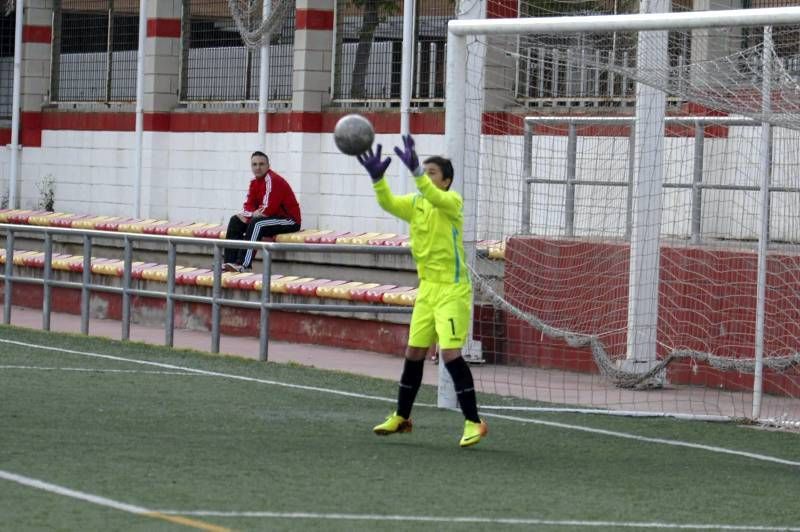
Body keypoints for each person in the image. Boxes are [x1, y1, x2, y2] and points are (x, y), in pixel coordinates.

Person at [356, 135, 488, 448]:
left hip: (453, 290)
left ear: (447, 181)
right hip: (427, 290)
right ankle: (402, 417)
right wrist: (377, 178)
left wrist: (416, 172)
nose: (425, 176)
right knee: (414, 351)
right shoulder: (416, 204)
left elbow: (432, 194)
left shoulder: (452, 202)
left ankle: (474, 422)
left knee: (450, 353)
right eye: (423, 170)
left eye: (431, 172)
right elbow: (387, 202)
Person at [223, 151, 301, 272]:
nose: (258, 167)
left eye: (261, 164)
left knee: (257, 223)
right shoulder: (254, 183)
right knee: (235, 220)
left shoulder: (273, 180)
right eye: (254, 164)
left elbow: (268, 209)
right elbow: (247, 207)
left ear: (268, 166)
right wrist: (250, 214)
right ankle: (230, 263)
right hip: (270, 219)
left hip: (289, 221)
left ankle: (244, 265)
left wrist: (251, 215)